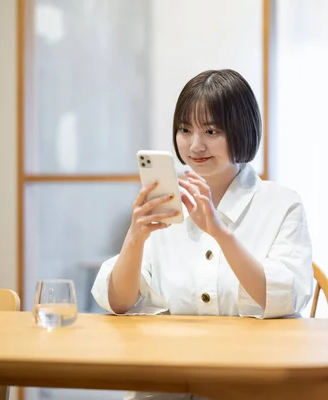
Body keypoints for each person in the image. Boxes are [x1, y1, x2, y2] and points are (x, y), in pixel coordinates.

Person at [91, 69, 313, 400]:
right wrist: (135, 238)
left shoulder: (282, 204)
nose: (195, 145)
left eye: (211, 131)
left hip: (252, 385)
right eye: (185, 129)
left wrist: (220, 232)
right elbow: (120, 303)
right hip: (166, 384)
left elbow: (282, 298)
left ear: (242, 131)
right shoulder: (166, 200)